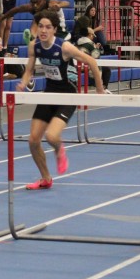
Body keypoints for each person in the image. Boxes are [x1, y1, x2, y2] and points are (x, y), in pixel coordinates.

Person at [18, 10, 106, 190]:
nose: (43, 30)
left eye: (48, 27)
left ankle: (59, 149)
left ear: (54, 29)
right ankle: (46, 178)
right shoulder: (34, 46)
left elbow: (92, 62)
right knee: (33, 141)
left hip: (67, 94)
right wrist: (23, 83)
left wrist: (99, 89)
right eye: (41, 26)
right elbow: (29, 70)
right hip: (50, 93)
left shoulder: (64, 47)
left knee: (51, 136)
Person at [70, 16, 111, 89]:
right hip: (86, 67)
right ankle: (103, 87)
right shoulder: (90, 44)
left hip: (77, 66)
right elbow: (96, 57)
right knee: (107, 69)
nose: (93, 37)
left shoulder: (77, 42)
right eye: (92, 35)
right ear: (89, 35)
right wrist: (97, 48)